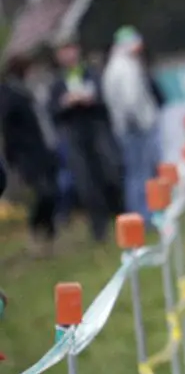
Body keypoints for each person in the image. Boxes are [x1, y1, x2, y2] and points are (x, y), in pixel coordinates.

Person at [47, 35, 123, 243]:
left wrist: (91, 100)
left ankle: (120, 218)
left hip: (97, 133)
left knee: (111, 175)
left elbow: (107, 102)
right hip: (75, 139)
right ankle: (99, 230)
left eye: (70, 49)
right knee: (87, 185)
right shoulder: (56, 84)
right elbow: (52, 112)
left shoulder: (93, 74)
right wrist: (65, 103)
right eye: (62, 51)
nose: (67, 54)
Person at [0, 52, 63, 256]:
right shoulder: (9, 94)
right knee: (44, 193)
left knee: (53, 192)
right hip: (26, 155)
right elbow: (8, 127)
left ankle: (50, 236)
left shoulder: (30, 92)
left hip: (43, 150)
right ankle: (36, 230)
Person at [101, 26, 163, 226]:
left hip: (127, 128)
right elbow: (130, 101)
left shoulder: (114, 66)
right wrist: (140, 123)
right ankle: (143, 217)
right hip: (135, 129)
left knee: (136, 173)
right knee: (140, 175)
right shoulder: (125, 66)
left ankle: (139, 216)